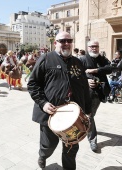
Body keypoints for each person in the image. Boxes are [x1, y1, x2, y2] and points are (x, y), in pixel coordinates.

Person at [27, 31, 91, 170]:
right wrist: (43, 103)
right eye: (62, 41)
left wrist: (87, 111)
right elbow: (32, 84)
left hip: (72, 115)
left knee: (71, 149)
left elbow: (85, 88)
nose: (66, 43)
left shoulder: (78, 62)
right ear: (55, 43)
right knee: (49, 145)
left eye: (69, 40)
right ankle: (43, 156)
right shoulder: (46, 59)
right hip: (51, 113)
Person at [79, 40, 112, 152]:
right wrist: (86, 80)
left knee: (90, 115)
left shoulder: (102, 59)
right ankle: (92, 140)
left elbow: (110, 69)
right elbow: (76, 74)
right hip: (84, 93)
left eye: (96, 46)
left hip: (98, 93)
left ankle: (89, 130)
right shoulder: (82, 59)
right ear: (88, 48)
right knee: (89, 116)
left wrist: (96, 70)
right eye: (92, 46)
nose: (94, 48)